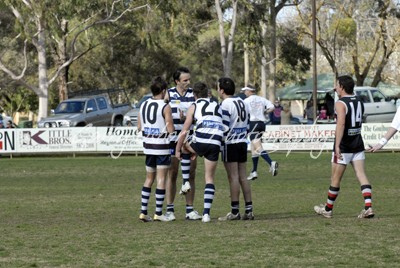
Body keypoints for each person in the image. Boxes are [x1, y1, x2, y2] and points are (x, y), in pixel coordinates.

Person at [314, 75, 375, 219]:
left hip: (345, 145)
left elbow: (340, 124)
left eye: (336, 84)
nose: (335, 87)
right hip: (357, 143)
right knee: (361, 174)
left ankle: (328, 209)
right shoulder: (359, 100)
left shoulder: (340, 103)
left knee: (335, 178)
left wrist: (337, 146)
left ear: (341, 87)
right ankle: (369, 207)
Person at [175, 81, 224, 223]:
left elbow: (184, 131)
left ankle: (185, 182)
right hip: (215, 142)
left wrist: (178, 150)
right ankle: (206, 214)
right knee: (209, 178)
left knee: (185, 146)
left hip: (201, 140)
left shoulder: (194, 105)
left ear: (194, 95)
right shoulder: (217, 105)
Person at [164, 67, 202, 221]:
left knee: (191, 173)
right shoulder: (169, 94)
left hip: (190, 139)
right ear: (177, 81)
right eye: (185, 80)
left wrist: (187, 117)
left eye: (189, 80)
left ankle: (189, 210)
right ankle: (170, 210)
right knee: (172, 173)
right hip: (173, 139)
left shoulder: (194, 95)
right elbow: (162, 111)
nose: (188, 83)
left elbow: (200, 115)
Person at [137, 77, 175, 222]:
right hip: (161, 147)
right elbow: (170, 128)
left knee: (148, 179)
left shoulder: (144, 104)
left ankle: (143, 212)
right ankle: (158, 213)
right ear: (164, 91)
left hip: (148, 147)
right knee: (161, 179)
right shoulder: (165, 107)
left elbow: (139, 127)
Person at [217, 77, 254, 221]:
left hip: (230, 143)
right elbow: (248, 123)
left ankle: (235, 211)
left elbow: (224, 126)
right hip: (242, 142)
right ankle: (249, 210)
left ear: (222, 90)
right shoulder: (242, 102)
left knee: (233, 177)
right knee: (243, 176)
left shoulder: (225, 104)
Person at [242, 85, 279, 180]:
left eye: (245, 90)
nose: (244, 92)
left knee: (258, 148)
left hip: (253, 123)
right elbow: (272, 107)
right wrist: (264, 112)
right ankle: (254, 171)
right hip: (262, 124)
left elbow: (243, 112)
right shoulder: (262, 99)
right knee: (254, 149)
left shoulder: (246, 101)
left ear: (249, 91)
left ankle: (271, 163)